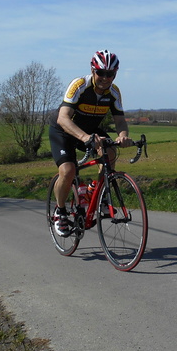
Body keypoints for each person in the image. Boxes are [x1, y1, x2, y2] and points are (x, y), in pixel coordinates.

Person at [48, 49, 132, 236]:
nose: (105, 78)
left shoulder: (114, 92)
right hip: (64, 130)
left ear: (115, 74)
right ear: (93, 70)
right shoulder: (79, 85)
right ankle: (60, 212)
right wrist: (85, 138)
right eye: (101, 72)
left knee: (110, 151)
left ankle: (98, 192)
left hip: (89, 130)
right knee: (68, 171)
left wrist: (123, 135)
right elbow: (63, 118)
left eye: (110, 74)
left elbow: (119, 120)